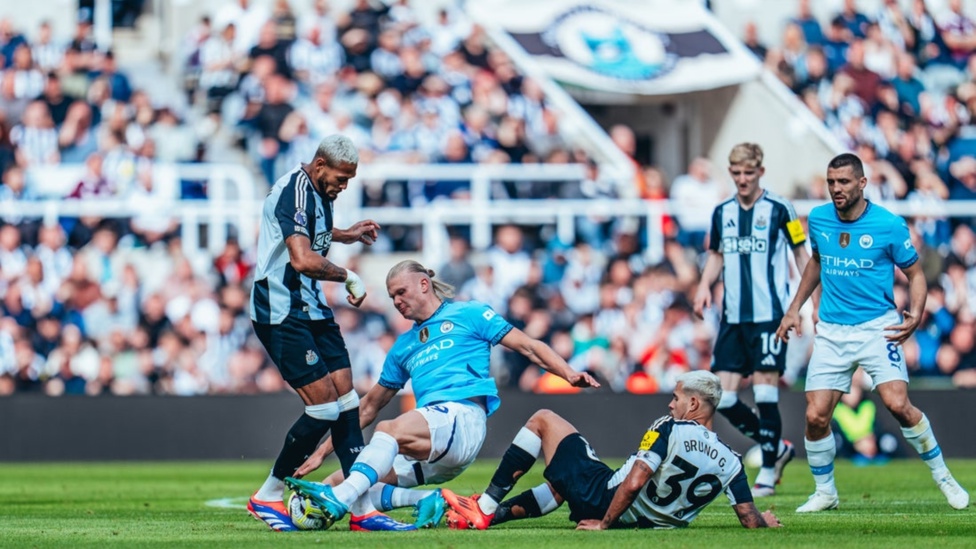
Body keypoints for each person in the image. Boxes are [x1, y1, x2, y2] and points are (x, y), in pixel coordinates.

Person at [286, 259, 600, 531]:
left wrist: (568, 373)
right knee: (344, 478)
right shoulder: (403, 347)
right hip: (437, 449)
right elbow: (369, 405)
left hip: (462, 418)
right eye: (392, 296)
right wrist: (321, 452)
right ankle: (423, 500)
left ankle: (339, 504)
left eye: (401, 292)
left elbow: (529, 345)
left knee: (386, 431)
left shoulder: (471, 314)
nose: (396, 301)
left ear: (424, 284)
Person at [776, 153, 969, 512]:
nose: (836, 189)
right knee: (816, 416)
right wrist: (795, 308)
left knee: (898, 405)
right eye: (832, 182)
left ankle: (944, 477)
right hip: (832, 331)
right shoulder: (818, 219)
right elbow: (816, 263)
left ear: (862, 184)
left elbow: (915, 274)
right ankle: (826, 493)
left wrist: (914, 315)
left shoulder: (889, 225)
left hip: (877, 327)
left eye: (844, 182)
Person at [439, 371, 781, 530]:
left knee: (543, 419)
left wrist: (604, 523)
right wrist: (765, 522)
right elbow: (749, 519)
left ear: (693, 403)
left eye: (676, 397)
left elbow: (634, 481)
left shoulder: (669, 427)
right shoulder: (731, 462)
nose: (670, 402)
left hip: (606, 499)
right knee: (562, 481)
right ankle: (487, 519)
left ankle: (484, 507)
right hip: (644, 522)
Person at [246, 134, 381, 531]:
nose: (343, 186)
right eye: (341, 178)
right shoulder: (296, 191)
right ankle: (267, 495)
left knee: (347, 400)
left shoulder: (318, 194)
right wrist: (349, 276)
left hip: (311, 307)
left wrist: (346, 234)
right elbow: (303, 258)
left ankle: (362, 508)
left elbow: (313, 232)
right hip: (281, 308)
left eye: (349, 180)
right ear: (320, 165)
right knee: (323, 407)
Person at [693, 143, 810, 497]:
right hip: (732, 317)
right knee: (724, 398)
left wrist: (807, 302)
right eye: (737, 173)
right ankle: (777, 447)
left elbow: (801, 253)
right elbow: (716, 254)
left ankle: (770, 470)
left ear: (760, 171)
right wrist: (702, 286)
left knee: (764, 393)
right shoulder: (722, 212)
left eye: (749, 173)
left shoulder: (780, 208)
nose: (742, 180)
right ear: (730, 173)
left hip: (769, 317)